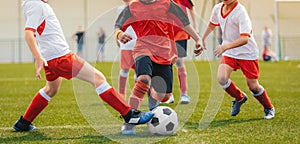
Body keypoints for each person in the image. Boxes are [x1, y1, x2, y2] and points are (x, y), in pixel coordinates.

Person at [13, 0, 154, 132]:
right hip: (61, 57)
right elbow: (28, 33)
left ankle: (24, 123)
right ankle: (130, 115)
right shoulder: (36, 4)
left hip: (51, 59)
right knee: (98, 79)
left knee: (51, 89)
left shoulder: (34, 4)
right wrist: (37, 58)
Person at [115, 0, 204, 135]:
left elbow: (184, 23)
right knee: (143, 79)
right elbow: (118, 26)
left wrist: (198, 39)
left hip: (164, 53)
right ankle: (129, 122)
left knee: (164, 96)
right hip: (142, 49)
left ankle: (152, 97)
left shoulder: (167, 3)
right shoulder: (133, 7)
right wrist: (120, 35)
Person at [201, 0, 275, 119]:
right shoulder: (217, 8)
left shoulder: (241, 12)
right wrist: (202, 39)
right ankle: (239, 98)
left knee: (253, 86)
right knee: (222, 78)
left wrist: (225, 46)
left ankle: (268, 107)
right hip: (230, 52)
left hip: (247, 53)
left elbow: (244, 39)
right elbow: (212, 24)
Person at [162, 0, 199, 104]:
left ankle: (184, 94)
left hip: (180, 33)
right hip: (166, 33)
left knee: (179, 62)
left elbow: (191, 7)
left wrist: (195, 27)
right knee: (166, 63)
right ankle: (169, 95)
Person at [116, 0, 137, 100]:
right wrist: (118, 38)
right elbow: (118, 25)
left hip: (138, 43)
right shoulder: (120, 9)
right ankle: (121, 94)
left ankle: (136, 94)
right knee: (125, 68)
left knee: (139, 70)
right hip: (126, 44)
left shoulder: (138, 6)